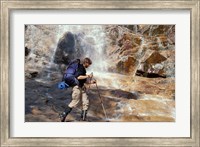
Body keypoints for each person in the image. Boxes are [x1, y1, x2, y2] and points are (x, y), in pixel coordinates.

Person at [59, 57, 96, 122]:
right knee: (75, 101)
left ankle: (83, 117)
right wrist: (88, 76)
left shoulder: (83, 69)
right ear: (86, 63)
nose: (89, 66)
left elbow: (83, 80)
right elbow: (78, 77)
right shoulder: (80, 68)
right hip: (77, 87)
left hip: (82, 87)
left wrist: (91, 82)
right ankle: (63, 114)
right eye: (89, 64)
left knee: (86, 101)